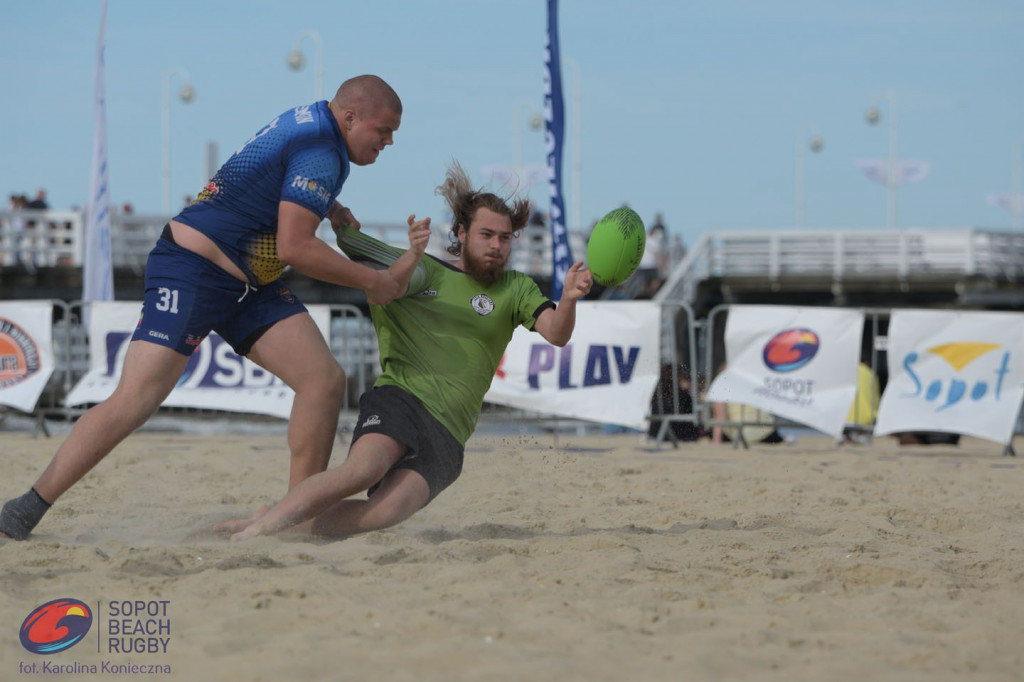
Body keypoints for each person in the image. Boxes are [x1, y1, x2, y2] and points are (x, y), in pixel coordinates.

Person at [0, 75, 426, 541]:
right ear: (350, 117)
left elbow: (269, 172)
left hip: (251, 284)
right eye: (383, 131)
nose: (389, 142)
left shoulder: (312, 122)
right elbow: (296, 248)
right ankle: (28, 507)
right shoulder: (322, 151)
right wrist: (375, 281)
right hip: (193, 268)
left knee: (323, 381)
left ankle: (293, 517)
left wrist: (328, 205)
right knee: (137, 398)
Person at [218, 160, 593, 541]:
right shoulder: (425, 270)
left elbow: (557, 334)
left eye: (505, 238)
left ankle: (283, 521)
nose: (497, 246)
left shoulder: (517, 288)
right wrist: (337, 215)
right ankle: (261, 528)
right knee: (363, 470)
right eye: (487, 235)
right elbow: (358, 250)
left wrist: (569, 299)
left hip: (450, 432)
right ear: (461, 233)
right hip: (402, 399)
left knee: (388, 511)